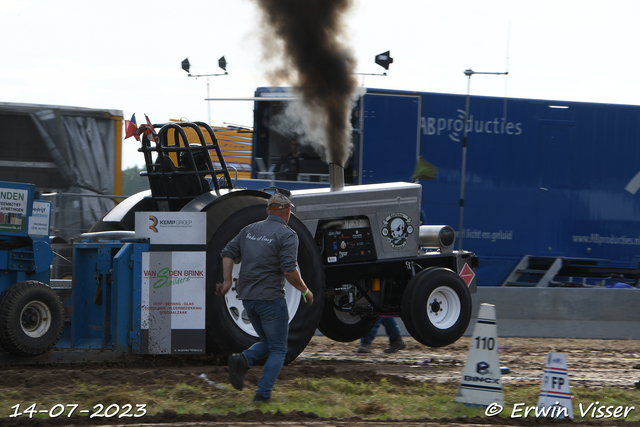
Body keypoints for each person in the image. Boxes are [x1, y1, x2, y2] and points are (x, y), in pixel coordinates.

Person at [215, 192, 314, 404]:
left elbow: (227, 253)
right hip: (270, 300)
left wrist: (227, 282)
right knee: (279, 348)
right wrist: (305, 290)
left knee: (269, 342)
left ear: (268, 210)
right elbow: (289, 270)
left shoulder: (249, 230)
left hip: (248, 300)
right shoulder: (288, 235)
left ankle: (243, 359)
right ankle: (262, 394)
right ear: (287, 212)